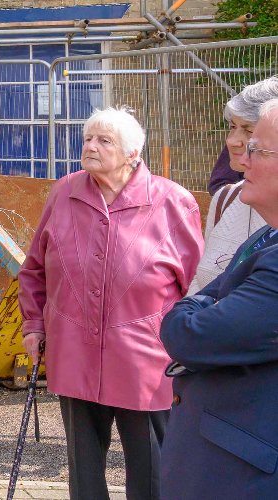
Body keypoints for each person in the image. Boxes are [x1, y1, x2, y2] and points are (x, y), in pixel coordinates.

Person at [17, 107, 202, 500]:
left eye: (104, 140)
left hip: (146, 361)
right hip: (75, 352)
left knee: (153, 471)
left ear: (133, 153)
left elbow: (196, 288)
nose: (90, 146)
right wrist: (34, 324)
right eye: (87, 138)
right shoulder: (64, 192)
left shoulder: (173, 202)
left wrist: (190, 347)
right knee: (83, 474)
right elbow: (35, 269)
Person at [160, 98, 278, 499]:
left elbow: (191, 334)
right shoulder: (267, 236)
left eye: (256, 148)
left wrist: (192, 308)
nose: (239, 159)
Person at [191, 76, 278, 292]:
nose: (232, 140)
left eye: (249, 131)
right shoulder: (226, 199)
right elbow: (199, 280)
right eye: (232, 127)